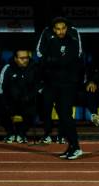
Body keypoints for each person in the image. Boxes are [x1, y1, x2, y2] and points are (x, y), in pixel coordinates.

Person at [36, 16, 83, 159]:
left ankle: (76, 146)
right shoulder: (50, 41)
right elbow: (43, 59)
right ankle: (71, 147)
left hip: (68, 84)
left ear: (66, 28)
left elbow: (69, 61)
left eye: (63, 28)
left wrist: (54, 61)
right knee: (61, 115)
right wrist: (54, 62)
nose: (61, 31)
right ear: (54, 30)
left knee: (66, 115)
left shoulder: (72, 41)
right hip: (53, 83)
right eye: (58, 29)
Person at [0, 49, 38, 143]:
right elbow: (0, 87)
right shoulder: (8, 67)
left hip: (27, 100)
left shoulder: (34, 68)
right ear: (15, 59)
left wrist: (29, 97)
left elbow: (38, 86)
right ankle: (10, 133)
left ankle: (21, 134)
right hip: (11, 101)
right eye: (22, 58)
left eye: (27, 58)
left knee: (36, 105)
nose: (25, 60)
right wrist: (6, 101)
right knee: (0, 105)